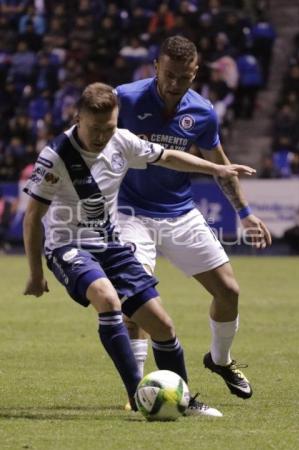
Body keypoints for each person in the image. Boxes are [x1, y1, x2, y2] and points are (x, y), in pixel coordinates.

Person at [22, 82, 255, 417]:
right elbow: (32, 218)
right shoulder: (56, 156)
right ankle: (139, 394)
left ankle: (185, 400)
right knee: (107, 299)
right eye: (95, 128)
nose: (102, 136)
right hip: (68, 246)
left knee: (163, 327)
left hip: (110, 245)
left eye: (109, 127)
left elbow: (168, 156)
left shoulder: (122, 140)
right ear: (77, 119)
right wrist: (35, 274)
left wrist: (216, 168)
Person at [116, 36, 272, 403]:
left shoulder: (202, 111)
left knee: (229, 291)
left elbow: (220, 165)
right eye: (168, 74)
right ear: (155, 66)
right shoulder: (125, 97)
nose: (174, 83)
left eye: (183, 77)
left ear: (195, 72)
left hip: (179, 211)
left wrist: (245, 214)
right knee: (136, 299)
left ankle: (220, 359)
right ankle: (136, 387)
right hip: (128, 212)